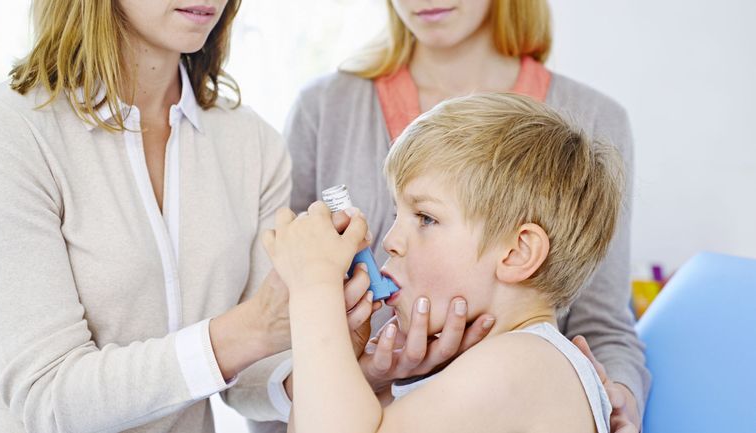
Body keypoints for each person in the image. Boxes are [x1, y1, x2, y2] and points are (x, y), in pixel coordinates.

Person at [259, 0, 649, 431]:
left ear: (519, 252)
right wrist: (356, 367)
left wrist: (315, 293)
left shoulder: (519, 364)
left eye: (424, 218)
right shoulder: (490, 367)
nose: (388, 239)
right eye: (397, 214)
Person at [0, 1, 373, 431]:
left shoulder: (252, 143)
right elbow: (49, 396)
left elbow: (247, 377)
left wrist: (349, 368)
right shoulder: (9, 132)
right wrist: (256, 326)